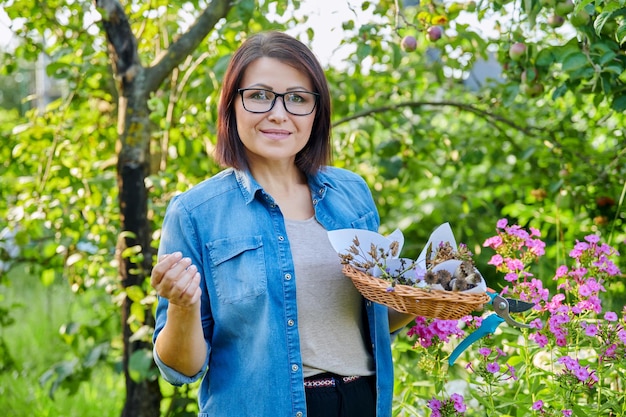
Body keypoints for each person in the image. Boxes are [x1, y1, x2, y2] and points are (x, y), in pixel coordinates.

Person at [150, 31, 416, 417]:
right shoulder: (195, 213)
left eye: (297, 98)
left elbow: (374, 320)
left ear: (315, 111)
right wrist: (182, 306)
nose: (279, 113)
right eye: (259, 95)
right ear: (232, 105)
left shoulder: (351, 194)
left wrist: (425, 297)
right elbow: (181, 369)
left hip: (363, 403)